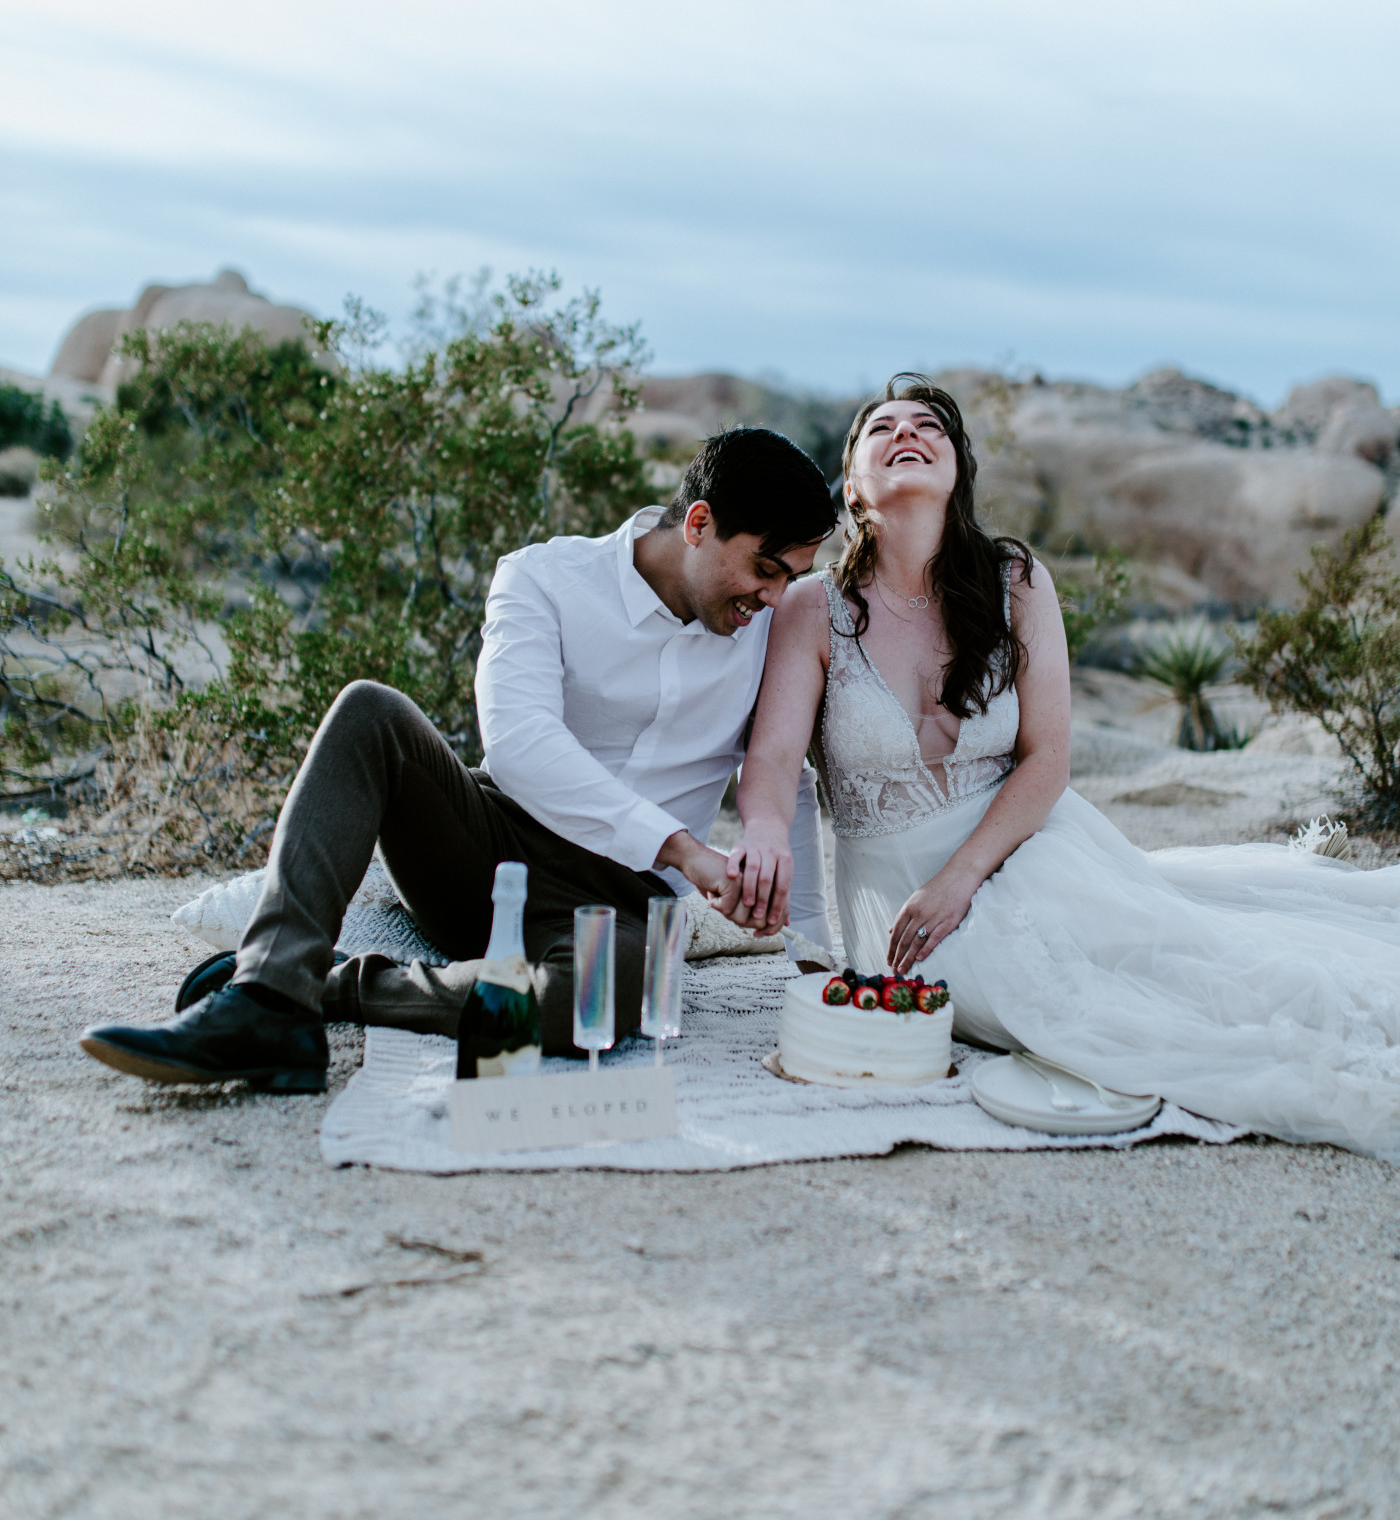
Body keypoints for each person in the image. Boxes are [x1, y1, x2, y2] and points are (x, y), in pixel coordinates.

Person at [730, 373, 1400, 1160]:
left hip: (1025, 843)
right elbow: (773, 757)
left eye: (930, 427)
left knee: (1191, 974)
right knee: (1040, 996)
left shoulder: (1016, 581)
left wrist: (963, 877)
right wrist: (765, 835)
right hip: (894, 899)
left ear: (958, 471)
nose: (907, 433)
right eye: (882, 428)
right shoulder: (814, 607)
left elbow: (1048, 760)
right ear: (851, 480)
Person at [79, 428, 837, 1093]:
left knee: (595, 1005)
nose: (774, 598)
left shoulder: (767, 631)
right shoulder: (543, 577)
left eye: (791, 578)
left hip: (628, 902)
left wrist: (813, 963)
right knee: (370, 710)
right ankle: (265, 998)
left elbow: (780, 773)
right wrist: (686, 849)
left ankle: (331, 987)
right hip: (492, 848)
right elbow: (518, 741)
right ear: (699, 524)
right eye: (765, 568)